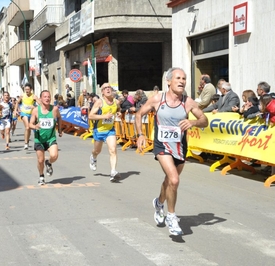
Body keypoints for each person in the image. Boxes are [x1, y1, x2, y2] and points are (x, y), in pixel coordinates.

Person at [135, 67, 208, 235]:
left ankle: (159, 202)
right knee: (174, 180)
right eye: (178, 78)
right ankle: (172, 217)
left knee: (169, 180)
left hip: (180, 146)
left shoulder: (188, 102)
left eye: (184, 78)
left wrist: (193, 123)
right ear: (168, 81)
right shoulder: (157, 99)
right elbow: (139, 114)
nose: (182, 81)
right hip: (162, 146)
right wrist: (140, 135)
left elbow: (204, 120)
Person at [88, 82, 122, 182]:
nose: (108, 89)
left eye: (109, 87)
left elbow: (118, 110)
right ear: (102, 92)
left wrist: (119, 113)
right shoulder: (99, 102)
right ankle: (93, 157)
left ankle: (113, 171)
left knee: (113, 150)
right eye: (105, 88)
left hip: (110, 130)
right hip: (99, 130)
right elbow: (90, 116)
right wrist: (104, 116)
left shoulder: (116, 102)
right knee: (97, 150)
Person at [29, 90, 63, 185]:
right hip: (39, 139)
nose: (47, 98)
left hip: (51, 138)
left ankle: (49, 162)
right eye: (45, 96)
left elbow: (59, 118)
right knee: (40, 160)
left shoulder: (55, 109)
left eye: (49, 96)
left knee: (54, 156)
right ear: (40, 98)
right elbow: (30, 124)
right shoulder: (36, 110)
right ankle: (41, 176)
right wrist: (35, 126)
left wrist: (59, 129)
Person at [14, 83, 40, 150]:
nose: (27, 91)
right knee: (27, 127)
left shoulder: (34, 96)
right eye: (25, 89)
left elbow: (41, 104)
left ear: (31, 89)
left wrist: (34, 106)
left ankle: (36, 142)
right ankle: (26, 143)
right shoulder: (22, 96)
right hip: (24, 113)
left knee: (33, 129)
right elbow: (17, 102)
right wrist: (15, 110)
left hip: (32, 114)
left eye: (28, 89)